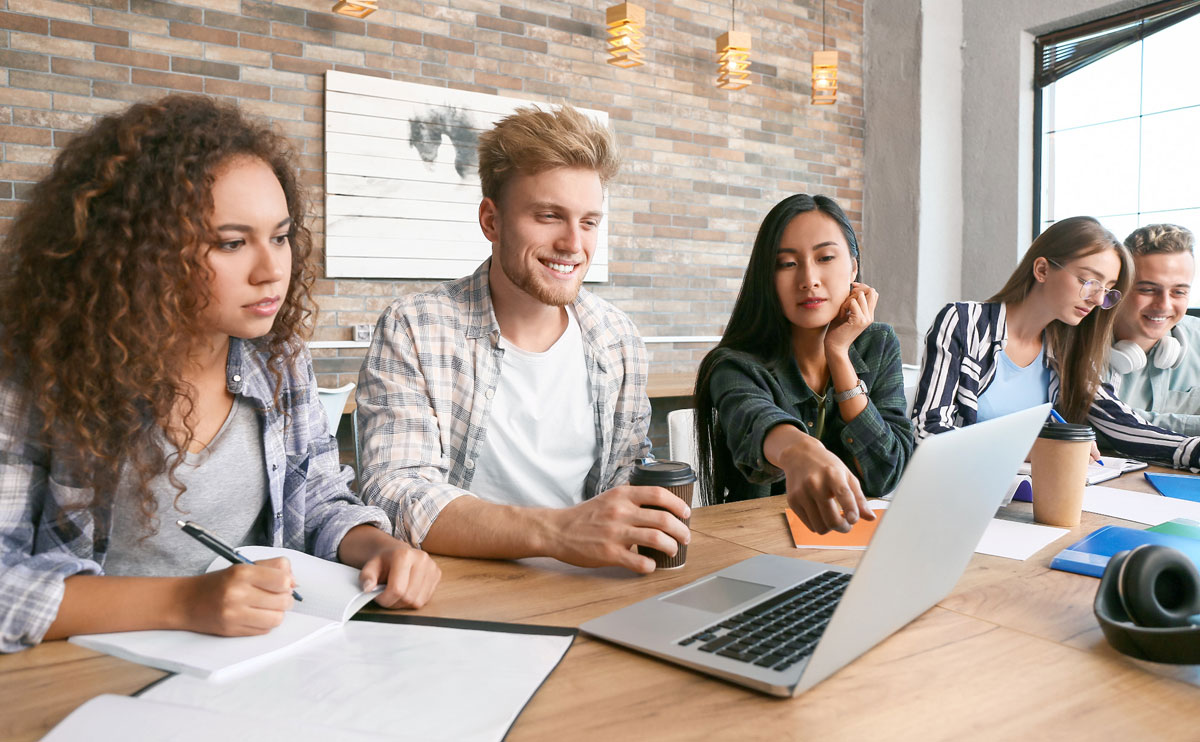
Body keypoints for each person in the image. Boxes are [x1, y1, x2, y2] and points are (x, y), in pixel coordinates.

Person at [0, 95, 440, 654]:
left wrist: (376, 546)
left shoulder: (279, 358)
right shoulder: (37, 372)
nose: (272, 270)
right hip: (83, 676)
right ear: (141, 252)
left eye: (280, 236)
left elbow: (320, 501)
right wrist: (186, 602)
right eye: (232, 243)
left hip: (257, 661)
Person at [357, 104, 688, 574]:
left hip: (594, 588)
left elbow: (623, 478)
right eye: (550, 216)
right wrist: (556, 533)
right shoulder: (414, 328)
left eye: (589, 221)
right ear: (491, 221)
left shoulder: (618, 339)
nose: (574, 243)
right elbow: (397, 493)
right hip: (461, 598)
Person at [693, 194, 914, 535]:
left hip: (859, 544)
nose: (808, 278)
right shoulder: (734, 365)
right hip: (759, 546)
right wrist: (800, 451)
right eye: (787, 263)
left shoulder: (878, 344)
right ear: (767, 277)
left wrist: (838, 354)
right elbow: (757, 421)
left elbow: (886, 473)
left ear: (853, 266)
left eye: (825, 257)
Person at [911, 216, 1200, 471]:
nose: (1099, 300)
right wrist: (1035, 448)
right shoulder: (965, 322)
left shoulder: (1067, 348)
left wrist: (1193, 451)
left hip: (1029, 496)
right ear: (1042, 270)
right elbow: (928, 431)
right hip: (957, 490)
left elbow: (1122, 425)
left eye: (1108, 290)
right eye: (1090, 282)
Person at [1109, 224, 1200, 435]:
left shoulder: (1197, 337)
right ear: (1119, 286)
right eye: (1148, 290)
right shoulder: (1083, 342)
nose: (1164, 305)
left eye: (1178, 292)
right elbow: (1101, 425)